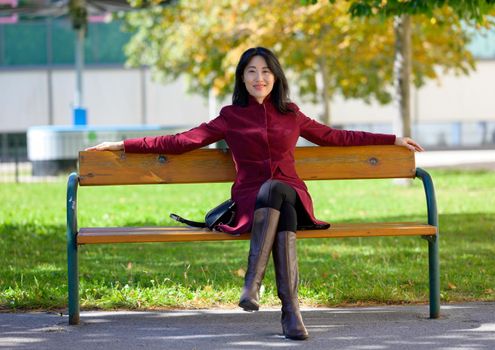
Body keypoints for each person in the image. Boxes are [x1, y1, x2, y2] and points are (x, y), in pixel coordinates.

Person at [86, 47, 424, 340]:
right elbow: (180, 142)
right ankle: (291, 312)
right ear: (242, 79)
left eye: (265, 71)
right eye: (251, 72)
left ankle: (252, 284)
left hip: (291, 192)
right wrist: (124, 144)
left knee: (278, 188)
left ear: (275, 77)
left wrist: (392, 140)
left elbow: (336, 137)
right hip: (251, 201)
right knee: (277, 204)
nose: (258, 77)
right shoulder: (230, 117)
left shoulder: (291, 114)